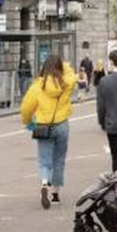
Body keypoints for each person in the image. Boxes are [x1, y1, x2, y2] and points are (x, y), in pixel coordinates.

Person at [20, 54, 78, 210]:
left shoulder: (37, 86)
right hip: (62, 125)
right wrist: (63, 65)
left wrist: (28, 123)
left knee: (44, 161)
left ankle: (45, 184)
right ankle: (55, 194)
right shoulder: (66, 84)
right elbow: (72, 75)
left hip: (43, 126)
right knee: (59, 160)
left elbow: (26, 108)